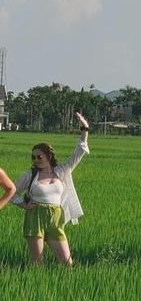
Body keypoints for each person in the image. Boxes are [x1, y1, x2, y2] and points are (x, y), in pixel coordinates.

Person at [11, 112, 90, 266]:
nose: (36, 160)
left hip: (55, 217)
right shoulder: (30, 175)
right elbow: (12, 191)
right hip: (35, 217)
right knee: (37, 262)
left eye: (39, 156)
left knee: (67, 263)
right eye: (33, 157)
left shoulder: (62, 171)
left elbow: (79, 152)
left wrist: (85, 128)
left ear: (48, 156)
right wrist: (23, 204)